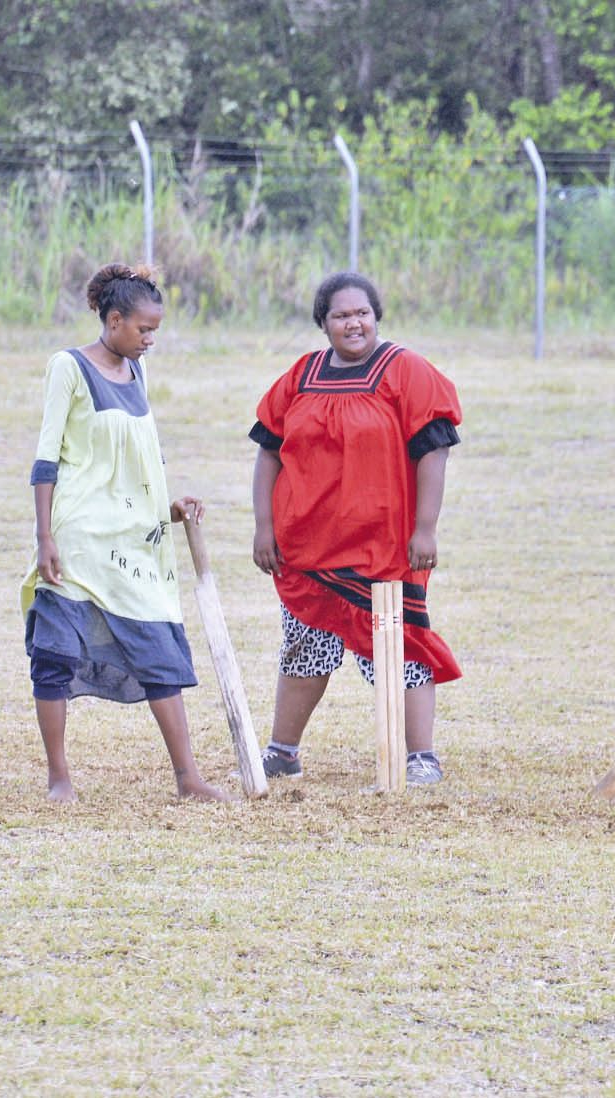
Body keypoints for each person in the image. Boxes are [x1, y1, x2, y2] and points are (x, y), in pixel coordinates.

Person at [21, 263, 228, 803]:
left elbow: (144, 460)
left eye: (155, 330)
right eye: (144, 330)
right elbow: (46, 458)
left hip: (137, 544)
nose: (150, 340)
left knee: (159, 652)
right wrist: (45, 537)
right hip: (80, 540)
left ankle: (189, 780)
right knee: (56, 651)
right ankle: (59, 778)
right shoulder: (67, 367)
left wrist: (171, 505)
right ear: (113, 321)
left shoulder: (138, 373)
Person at [248, 272, 462, 785]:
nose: (354, 323)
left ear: (377, 316)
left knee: (401, 647)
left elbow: (433, 451)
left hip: (382, 548)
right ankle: (283, 752)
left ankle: (420, 758)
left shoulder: (404, 371)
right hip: (307, 546)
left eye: (362, 313)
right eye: (341, 315)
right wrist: (264, 527)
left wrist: (425, 528)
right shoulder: (301, 376)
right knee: (305, 646)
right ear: (323, 323)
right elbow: (269, 451)